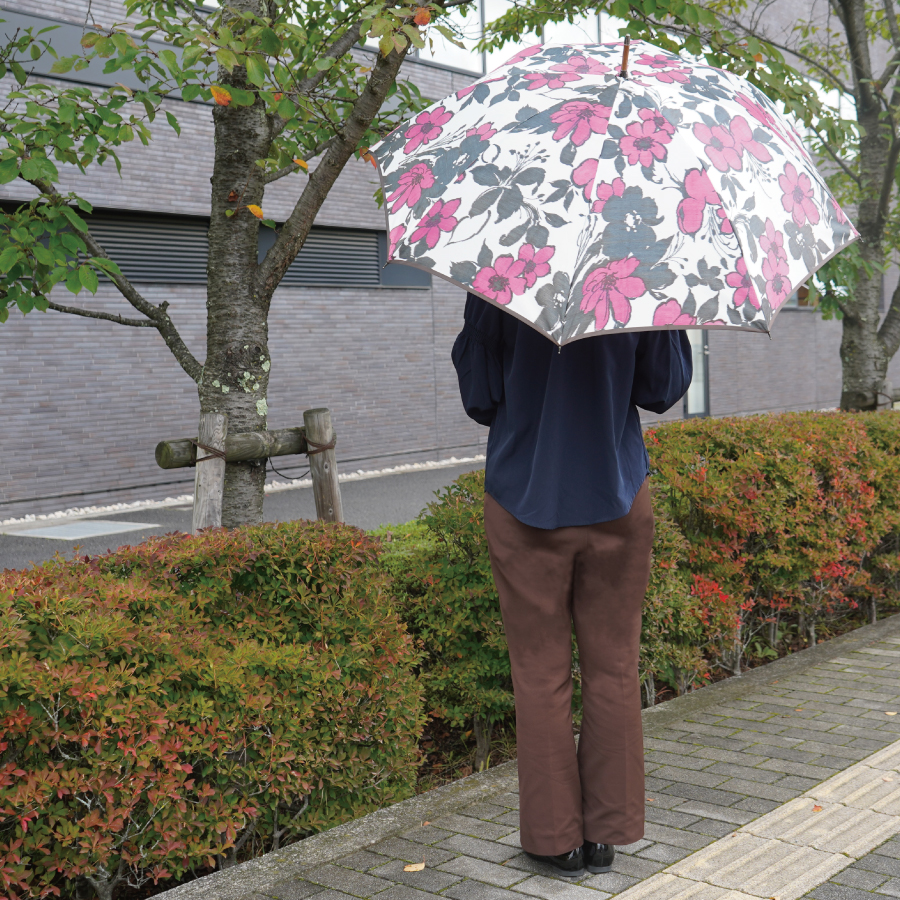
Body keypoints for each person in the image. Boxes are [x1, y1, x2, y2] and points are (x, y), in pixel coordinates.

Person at [451, 292, 693, 879]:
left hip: (524, 496)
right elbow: (663, 390)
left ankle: (555, 839)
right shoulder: (646, 276)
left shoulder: (498, 280)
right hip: (616, 492)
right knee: (614, 666)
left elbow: (480, 398)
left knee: (538, 674)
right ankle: (607, 833)